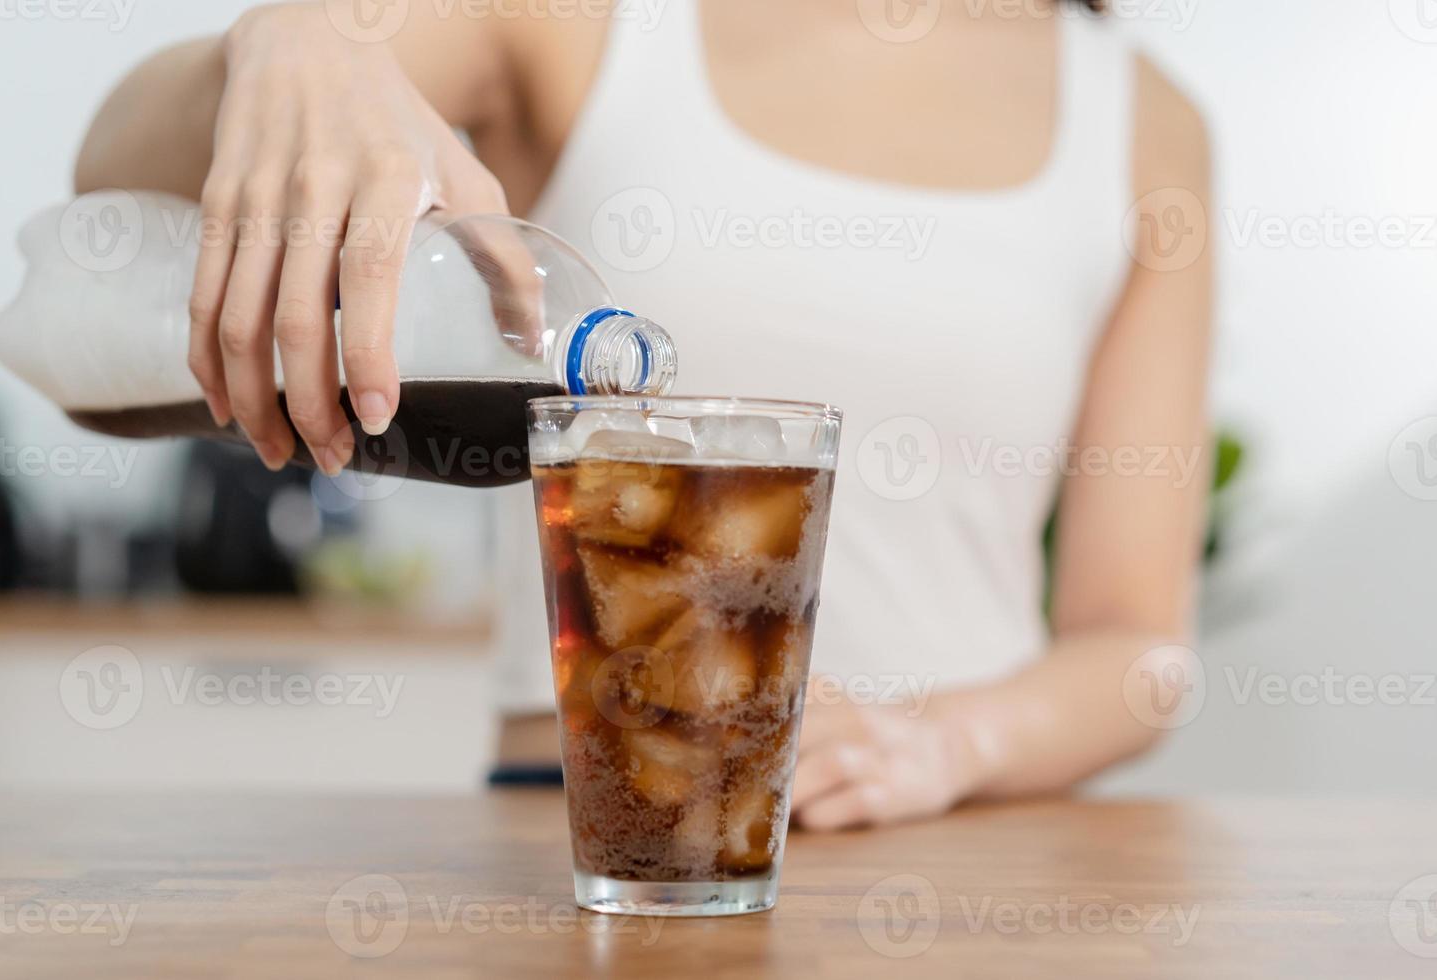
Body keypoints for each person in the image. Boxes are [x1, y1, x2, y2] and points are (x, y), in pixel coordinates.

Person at [74, 0, 1212, 829]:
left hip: (969, 855)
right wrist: (289, 40)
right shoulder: (577, 19)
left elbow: (1136, 644)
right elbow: (112, 174)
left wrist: (947, 743)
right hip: (583, 847)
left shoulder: (1147, 119)